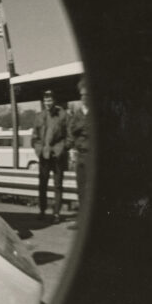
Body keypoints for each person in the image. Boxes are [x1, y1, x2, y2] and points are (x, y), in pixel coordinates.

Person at [31, 89, 70, 222]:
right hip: (44, 155)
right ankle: (42, 211)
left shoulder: (63, 115)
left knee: (58, 185)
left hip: (58, 155)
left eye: (50, 100)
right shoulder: (39, 116)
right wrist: (39, 151)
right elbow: (35, 137)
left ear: (54, 101)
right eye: (46, 100)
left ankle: (56, 214)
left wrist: (62, 149)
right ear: (43, 102)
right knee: (42, 184)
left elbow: (69, 136)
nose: (48, 103)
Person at [67, 77, 90, 229]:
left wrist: (79, 129)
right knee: (81, 189)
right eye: (81, 94)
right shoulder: (77, 114)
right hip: (80, 154)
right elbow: (71, 132)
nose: (84, 97)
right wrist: (70, 149)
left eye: (87, 94)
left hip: (93, 155)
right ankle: (82, 220)